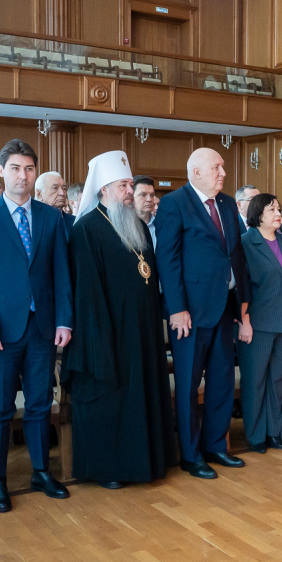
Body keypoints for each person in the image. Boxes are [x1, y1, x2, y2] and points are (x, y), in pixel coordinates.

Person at [0, 139, 73, 513]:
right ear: (1, 171)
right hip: (0, 332)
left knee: (41, 403)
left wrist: (64, 320)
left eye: (28, 168)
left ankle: (41, 471)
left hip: (42, 328)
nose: (22, 175)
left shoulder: (50, 217)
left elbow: (61, 273)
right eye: (15, 168)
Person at [63, 151, 175, 489]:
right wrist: (102, 337)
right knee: (113, 400)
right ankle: (110, 468)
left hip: (143, 330)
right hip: (107, 332)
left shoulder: (136, 224)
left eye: (130, 184)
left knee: (143, 396)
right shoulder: (86, 229)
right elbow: (87, 292)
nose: (130, 191)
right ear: (104, 189)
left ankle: (146, 461)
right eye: (124, 185)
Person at [154, 148, 249, 479]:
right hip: (190, 314)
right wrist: (177, 309)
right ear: (196, 173)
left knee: (222, 381)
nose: (223, 172)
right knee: (188, 385)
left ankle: (215, 446)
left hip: (223, 308)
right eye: (216, 167)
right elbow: (168, 260)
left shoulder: (227, 204)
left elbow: (235, 255)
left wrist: (240, 305)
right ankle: (191, 455)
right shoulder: (174, 203)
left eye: (222, 167)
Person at [238, 193, 282, 452]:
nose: (279, 214)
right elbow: (241, 287)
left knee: (277, 380)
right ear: (257, 215)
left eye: (279, 209)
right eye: (272, 210)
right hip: (257, 325)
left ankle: (274, 432)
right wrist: (243, 321)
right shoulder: (245, 244)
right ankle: (256, 435)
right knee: (255, 381)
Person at [132, 175, 159, 249]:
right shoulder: (124, 226)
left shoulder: (161, 224)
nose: (149, 199)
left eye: (152, 195)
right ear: (131, 197)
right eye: (143, 195)